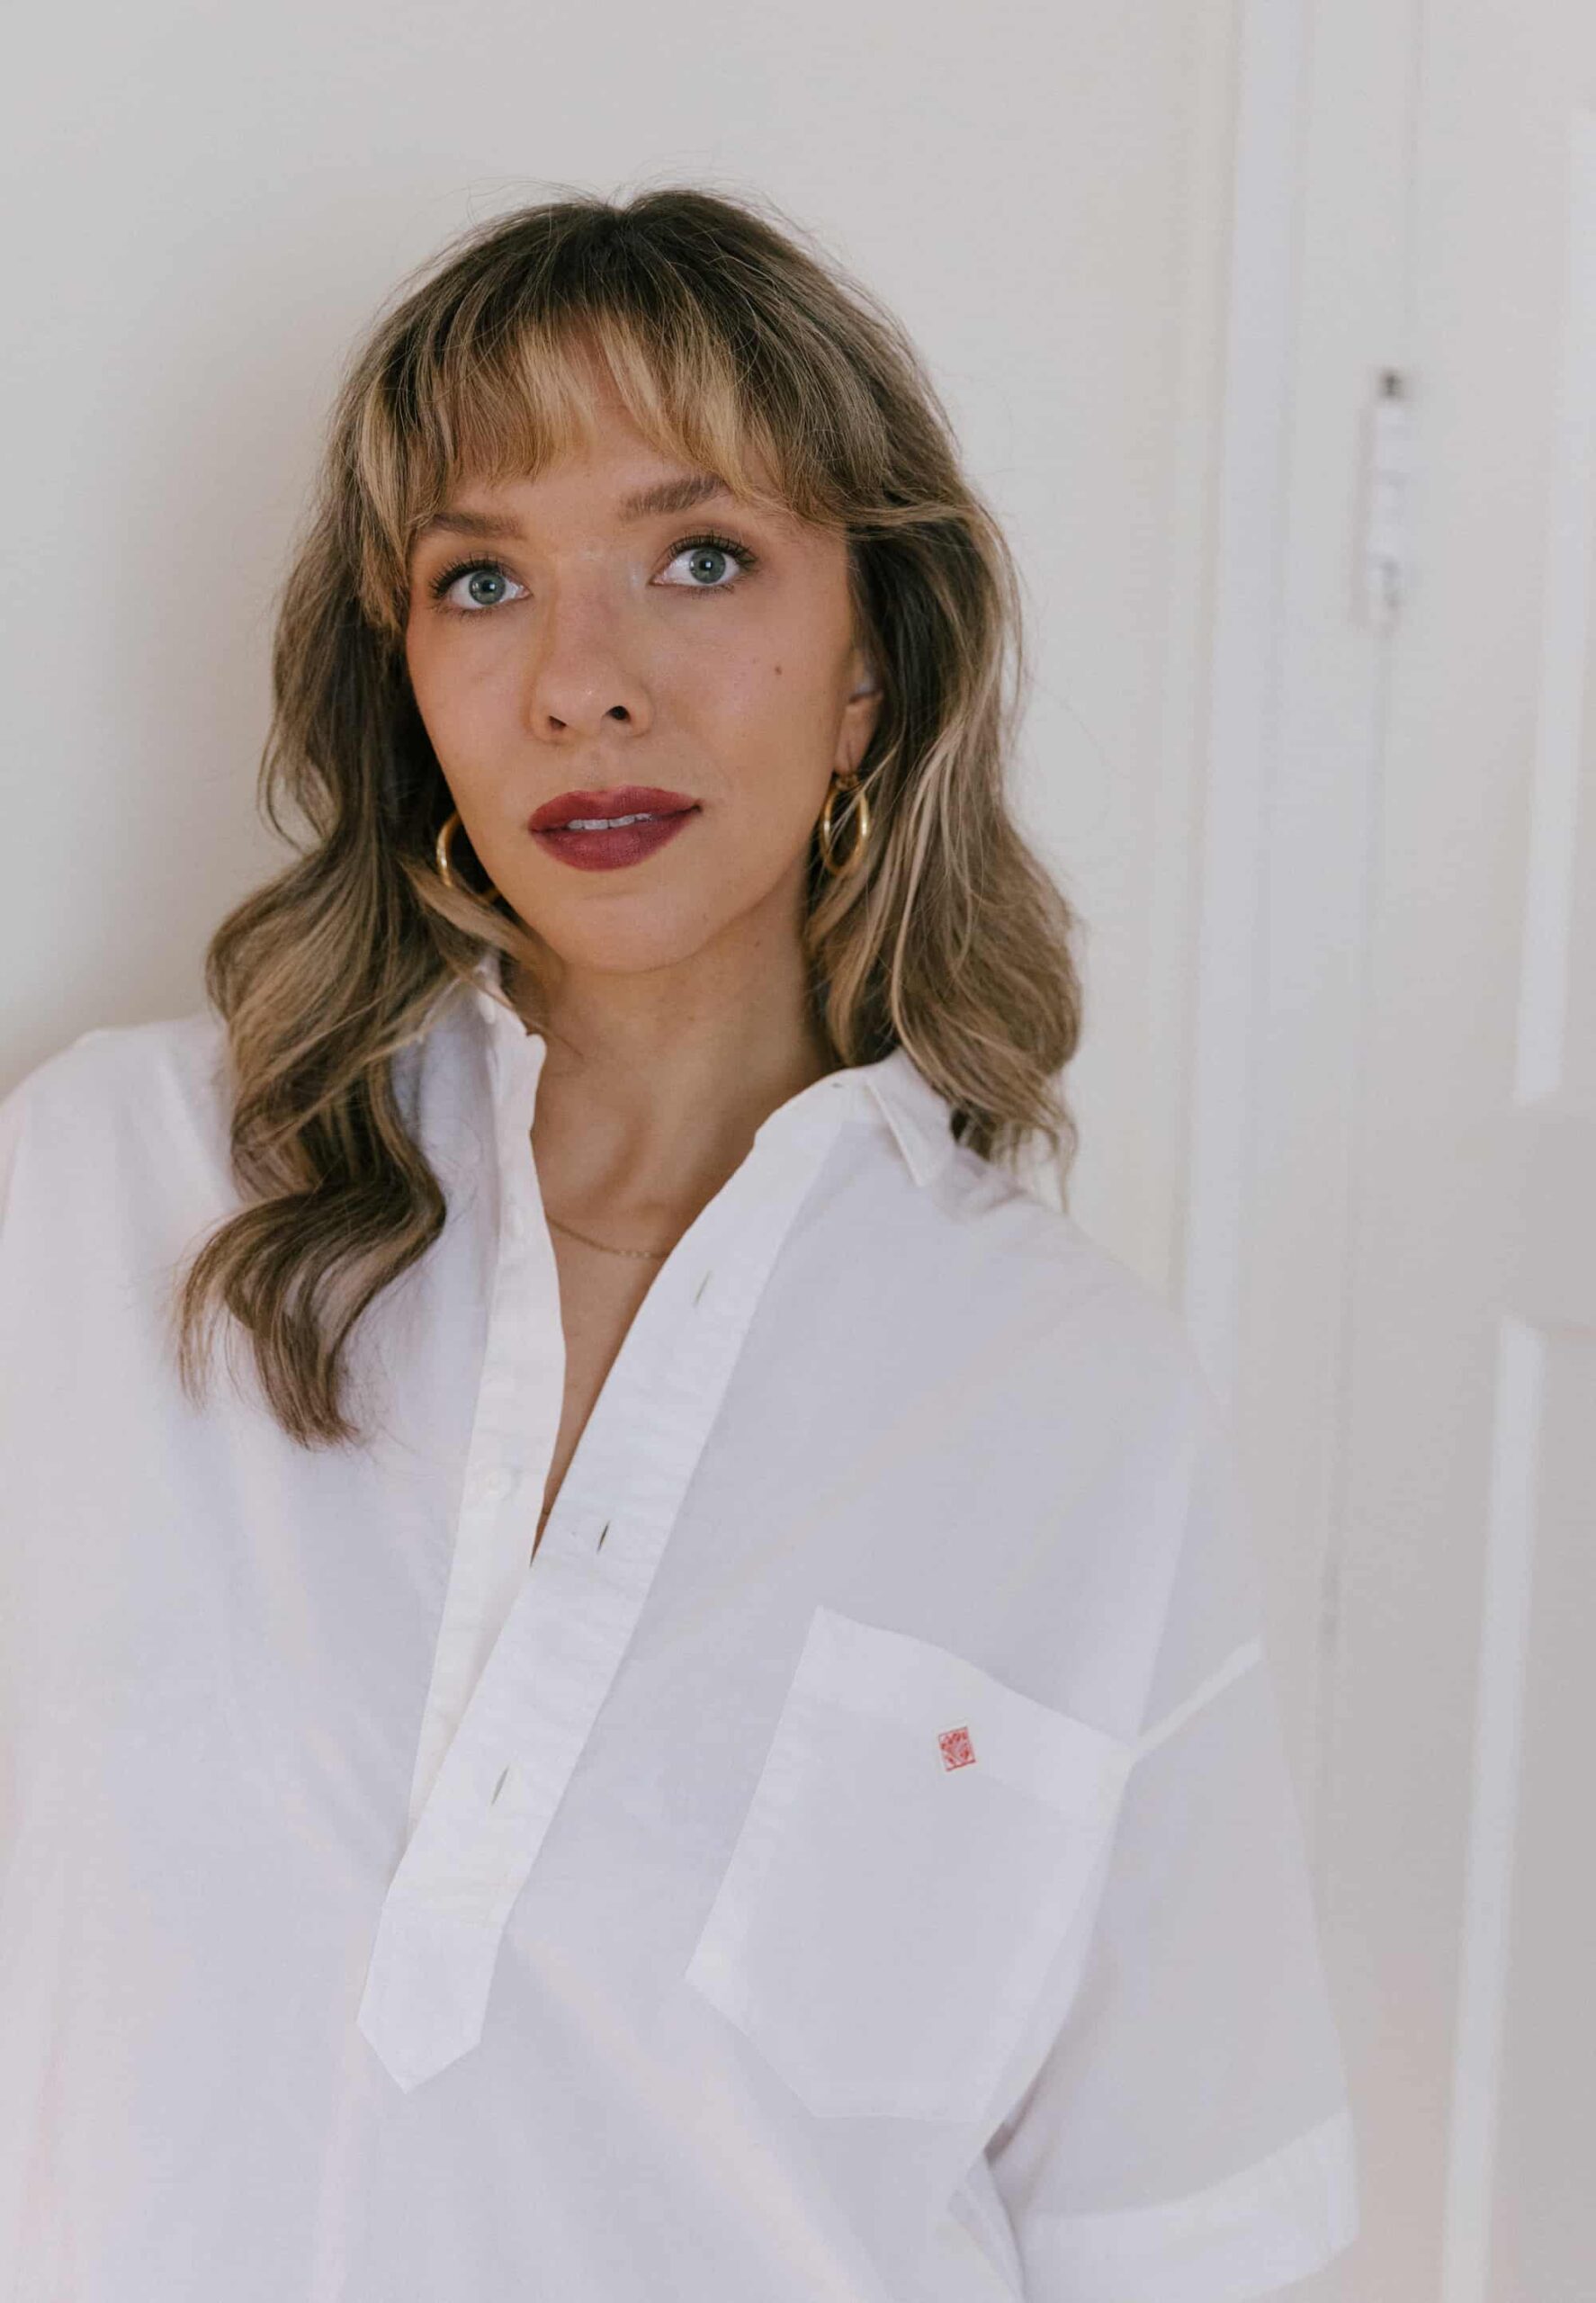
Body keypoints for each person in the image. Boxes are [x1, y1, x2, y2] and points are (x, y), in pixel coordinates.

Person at [0, 186, 1359, 2301]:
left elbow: (1180, 2231)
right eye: (481, 579)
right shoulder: (99, 1200)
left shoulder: (1066, 1395)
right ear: (407, 682)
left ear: (869, 670)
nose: (580, 682)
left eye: (697, 556)